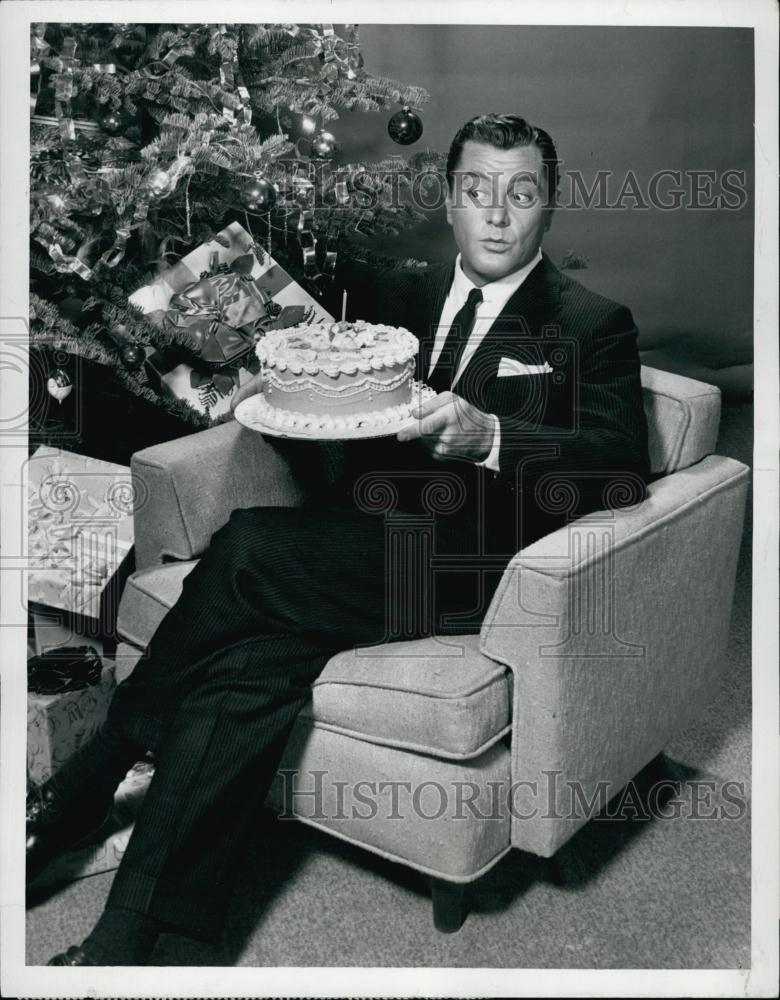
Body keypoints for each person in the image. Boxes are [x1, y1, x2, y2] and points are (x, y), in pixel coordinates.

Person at [26, 114, 650, 965]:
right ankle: (137, 940)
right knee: (243, 670)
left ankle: (95, 773)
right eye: (477, 191)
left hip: (477, 568)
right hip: (358, 546)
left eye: (521, 193)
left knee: (245, 546)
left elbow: (617, 465)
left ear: (550, 206)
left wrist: (492, 437)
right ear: (449, 199)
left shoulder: (592, 322)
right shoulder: (402, 299)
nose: (497, 215)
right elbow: (342, 407)